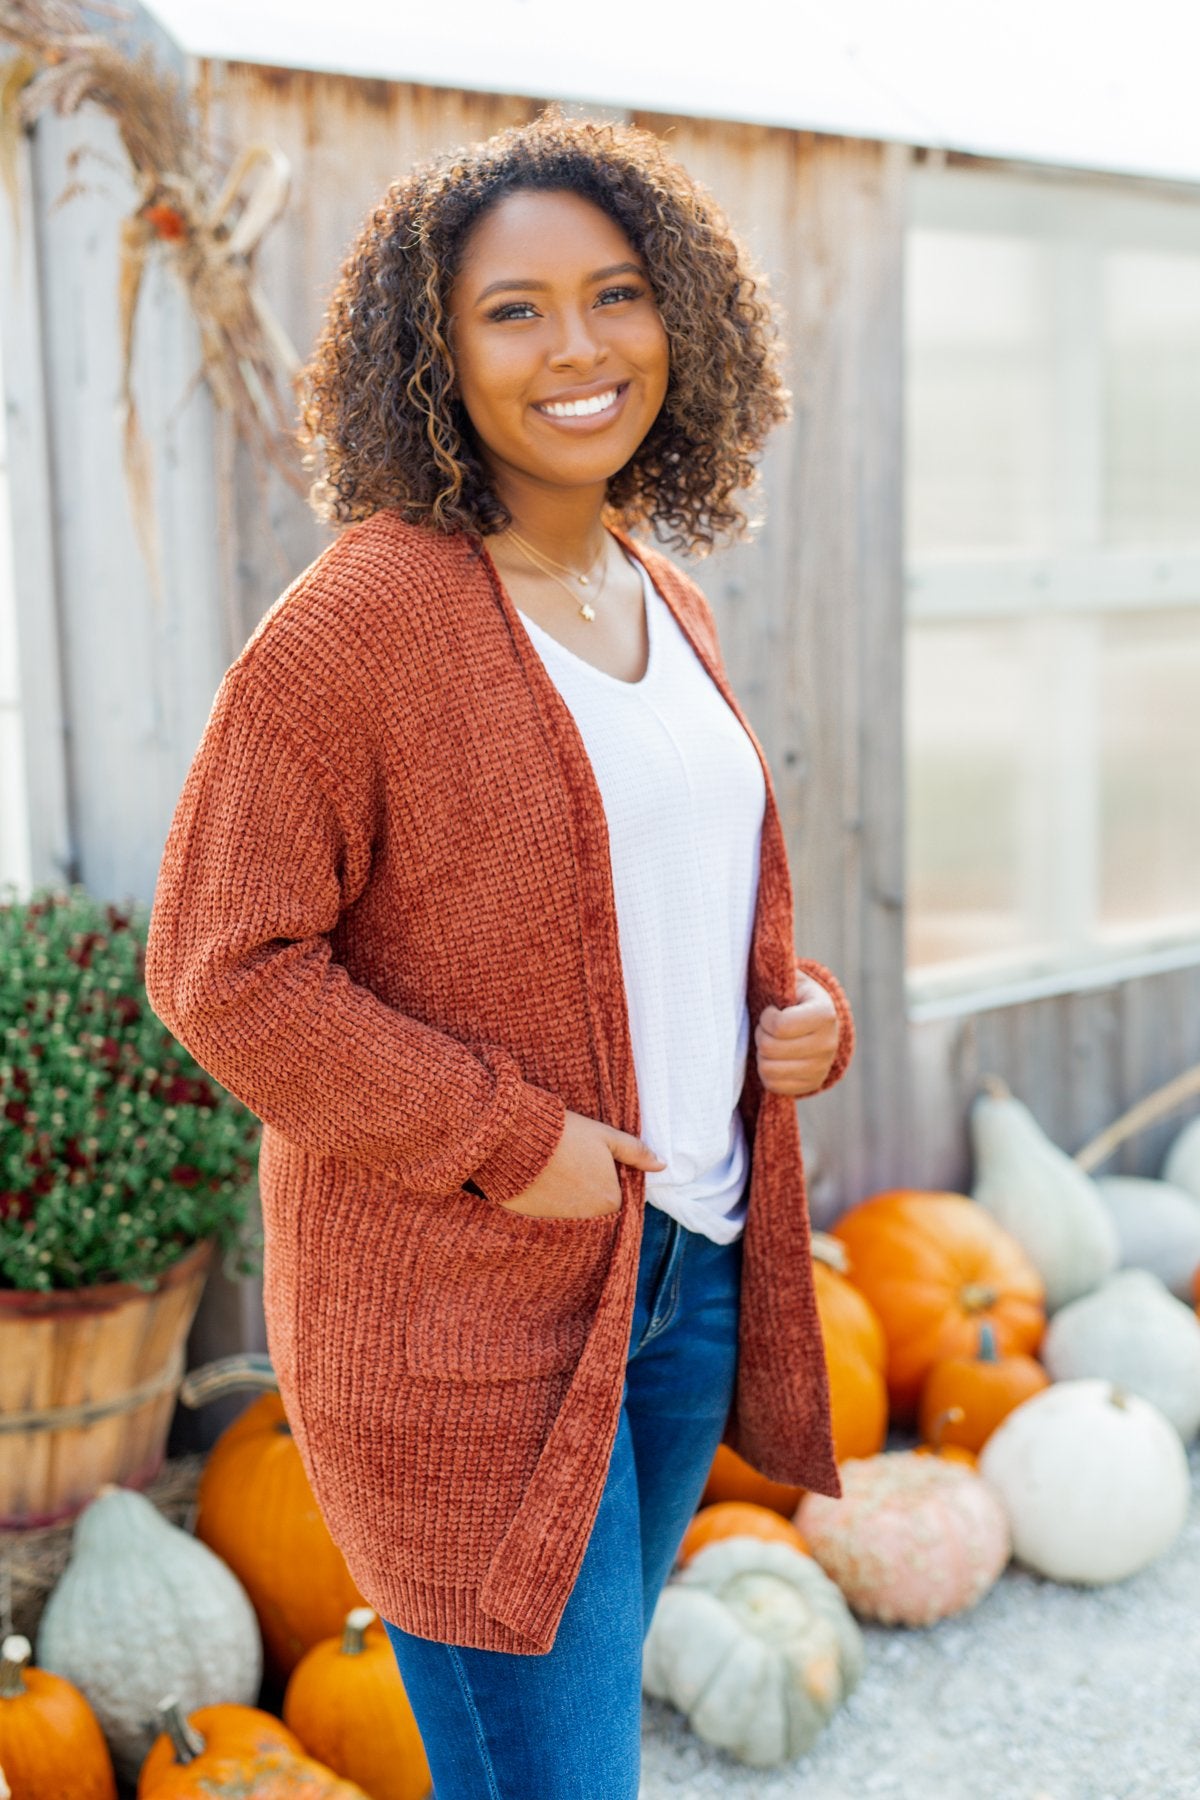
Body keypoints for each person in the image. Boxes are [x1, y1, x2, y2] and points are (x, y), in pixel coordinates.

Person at [145, 109, 856, 1798]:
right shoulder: (360, 626)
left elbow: (679, 903)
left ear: (681, 319)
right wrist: (503, 1140)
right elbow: (218, 962)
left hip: (675, 1279)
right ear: (433, 353)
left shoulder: (655, 592)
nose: (577, 347)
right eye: (513, 310)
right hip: (469, 1331)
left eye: (615, 294)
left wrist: (794, 1013)